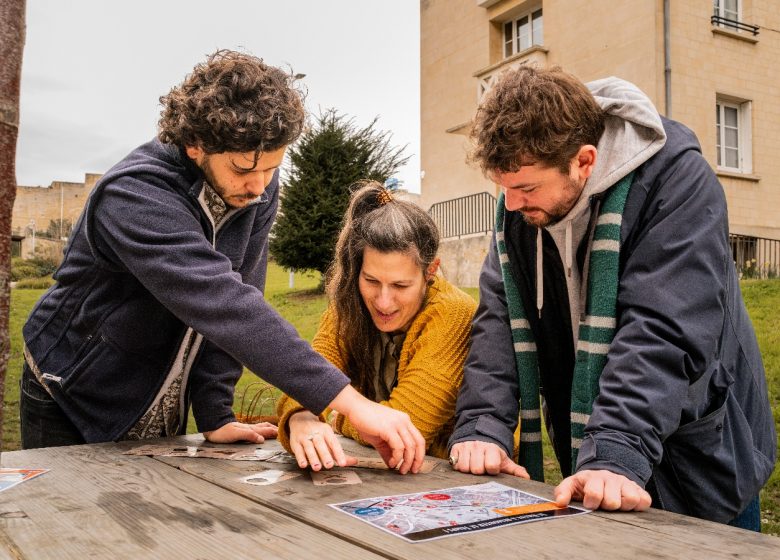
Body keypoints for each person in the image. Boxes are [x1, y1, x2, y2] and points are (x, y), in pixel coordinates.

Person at [20, 50, 425, 474]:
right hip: (72, 390)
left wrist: (215, 413)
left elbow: (242, 289)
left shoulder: (256, 183)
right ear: (195, 145)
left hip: (156, 396)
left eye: (272, 168)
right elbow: (223, 303)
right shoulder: (134, 195)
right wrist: (354, 405)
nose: (259, 186)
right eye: (242, 169)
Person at [448, 65, 776, 530]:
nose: (512, 205)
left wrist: (616, 449)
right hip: (602, 458)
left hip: (700, 456)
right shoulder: (520, 211)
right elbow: (498, 319)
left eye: (525, 188)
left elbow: (662, 329)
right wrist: (483, 425)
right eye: (503, 187)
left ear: (584, 161)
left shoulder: (677, 183)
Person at [276, 181, 477, 470]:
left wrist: (339, 416)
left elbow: (408, 427)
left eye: (400, 285)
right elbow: (308, 375)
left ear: (430, 271)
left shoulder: (453, 313)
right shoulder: (348, 302)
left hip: (456, 477)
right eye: (371, 280)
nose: (383, 301)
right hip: (381, 476)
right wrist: (301, 417)